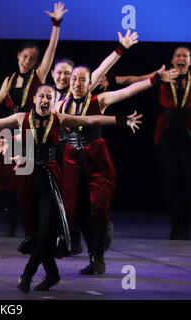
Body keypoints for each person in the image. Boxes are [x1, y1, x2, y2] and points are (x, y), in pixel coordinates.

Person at [0, 84, 141, 293]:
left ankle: (27, 274)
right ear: (34, 99)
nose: (45, 100)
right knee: (36, 233)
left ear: (53, 101)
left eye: (50, 97)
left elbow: (90, 120)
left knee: (46, 230)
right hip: (28, 178)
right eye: (42, 96)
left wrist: (121, 120)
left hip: (50, 178)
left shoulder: (59, 119)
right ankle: (52, 274)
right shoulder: (21, 118)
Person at [54, 64, 175, 275]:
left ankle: (102, 238)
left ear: (89, 83)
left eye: (83, 79)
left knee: (98, 208)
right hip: (71, 159)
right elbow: (37, 123)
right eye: (74, 78)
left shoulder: (98, 100)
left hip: (96, 159)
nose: (77, 83)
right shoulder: (60, 105)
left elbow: (128, 91)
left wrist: (155, 79)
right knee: (77, 210)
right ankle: (94, 257)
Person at [0, 2, 68, 238]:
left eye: (32, 59)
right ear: (18, 56)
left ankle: (31, 223)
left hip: (29, 130)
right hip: (9, 128)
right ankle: (9, 219)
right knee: (2, 177)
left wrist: (56, 25)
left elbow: (50, 51)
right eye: (25, 57)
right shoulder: (9, 79)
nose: (28, 62)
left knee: (23, 178)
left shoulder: (37, 76)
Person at [51, 30, 139, 254]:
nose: (71, 81)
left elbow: (103, 75)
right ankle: (73, 241)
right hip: (67, 154)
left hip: (92, 153)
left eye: (79, 79)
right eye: (67, 77)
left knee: (95, 206)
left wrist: (121, 49)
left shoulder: (90, 95)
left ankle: (96, 250)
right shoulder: (55, 102)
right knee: (71, 206)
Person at [153, 46, 191, 239]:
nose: (181, 58)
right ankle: (176, 226)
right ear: (172, 60)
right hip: (167, 135)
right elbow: (137, 80)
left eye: (185, 56)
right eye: (178, 55)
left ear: (190, 61)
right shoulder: (163, 75)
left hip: (188, 134)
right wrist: (112, 79)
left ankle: (188, 226)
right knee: (172, 183)